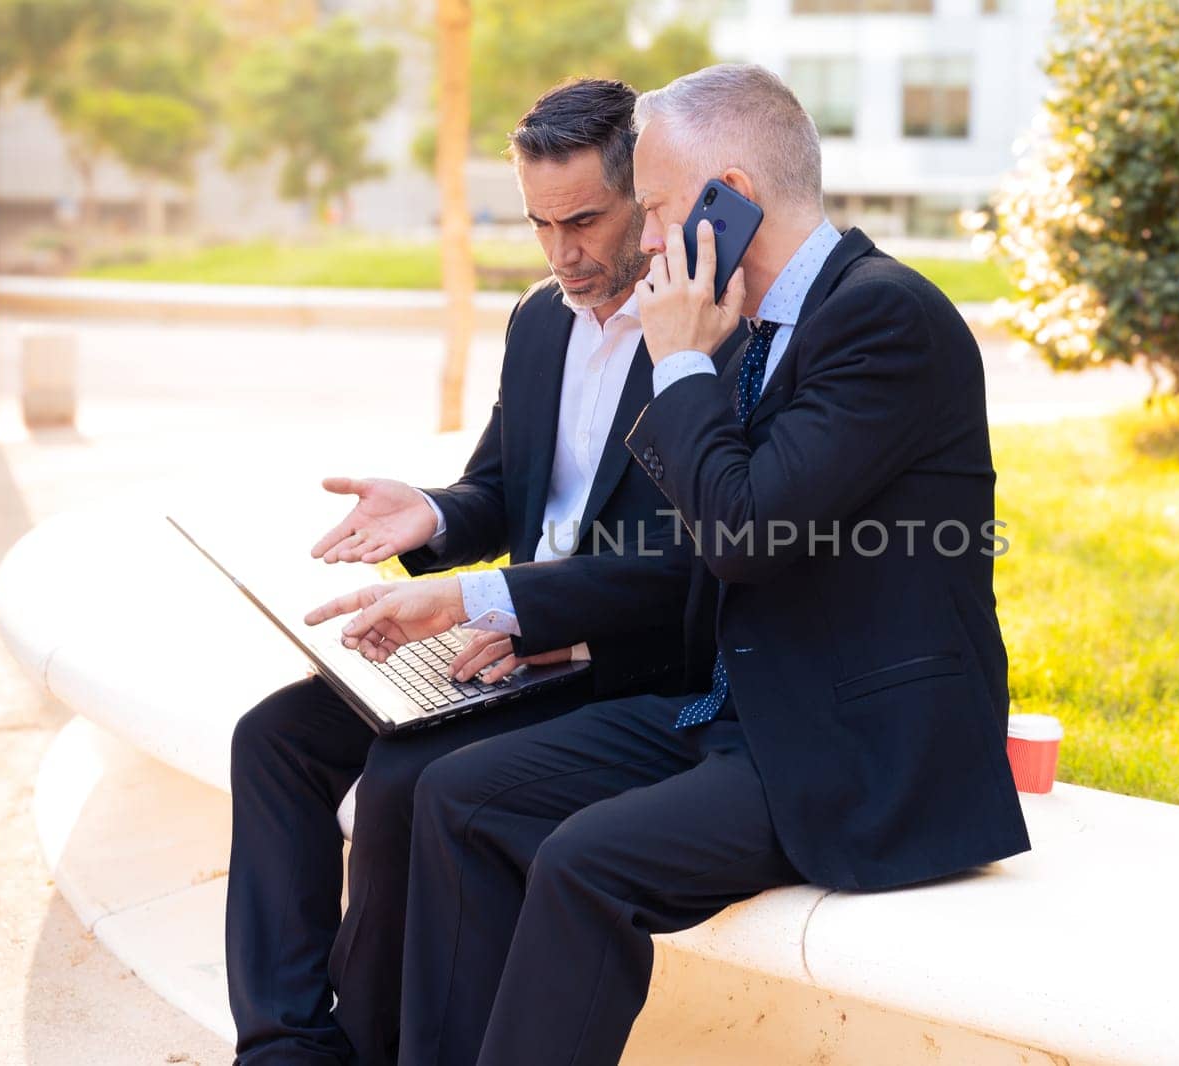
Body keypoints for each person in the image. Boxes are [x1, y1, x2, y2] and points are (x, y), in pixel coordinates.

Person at [320, 62, 1032, 1066]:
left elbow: (742, 533)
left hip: (850, 748)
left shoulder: (883, 318)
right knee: (459, 794)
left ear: (729, 200)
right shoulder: (753, 323)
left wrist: (681, 360)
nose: (645, 239)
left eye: (653, 209)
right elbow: (693, 544)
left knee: (584, 862)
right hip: (729, 714)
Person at [224, 78, 744, 1066]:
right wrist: (429, 514)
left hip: (612, 658)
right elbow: (504, 488)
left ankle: (370, 1046)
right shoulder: (541, 319)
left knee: (401, 781)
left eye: (584, 219)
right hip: (498, 631)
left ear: (653, 195)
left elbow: (686, 567)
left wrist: (501, 604)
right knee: (274, 740)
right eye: (540, 224)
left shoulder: (710, 334)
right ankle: (289, 1047)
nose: (562, 253)